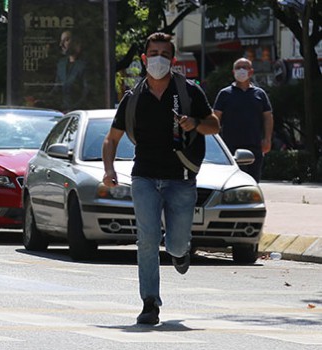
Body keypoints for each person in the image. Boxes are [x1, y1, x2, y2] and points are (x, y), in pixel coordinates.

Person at [102, 32, 220, 325]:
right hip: (143, 177)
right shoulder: (133, 98)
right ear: (144, 59)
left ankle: (180, 254)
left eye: (164, 54)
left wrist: (195, 123)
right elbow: (111, 139)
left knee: (177, 244)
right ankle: (150, 303)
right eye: (153, 53)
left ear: (173, 60)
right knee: (147, 239)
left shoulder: (189, 92)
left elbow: (214, 126)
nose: (158, 59)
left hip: (180, 178)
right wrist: (108, 170)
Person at [213, 58, 274, 183]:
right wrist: (216, 144)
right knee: (234, 182)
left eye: (244, 67)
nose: (241, 70)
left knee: (252, 182)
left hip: (255, 146)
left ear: (251, 72)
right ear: (233, 71)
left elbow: (268, 117)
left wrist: (267, 139)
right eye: (238, 67)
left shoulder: (260, 94)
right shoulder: (224, 94)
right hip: (230, 148)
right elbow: (215, 118)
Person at [49, 29, 91, 112]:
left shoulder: (86, 65)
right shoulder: (61, 64)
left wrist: (73, 109)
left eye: (66, 40)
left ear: (77, 43)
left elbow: (88, 92)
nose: (61, 44)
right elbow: (56, 89)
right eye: (61, 41)